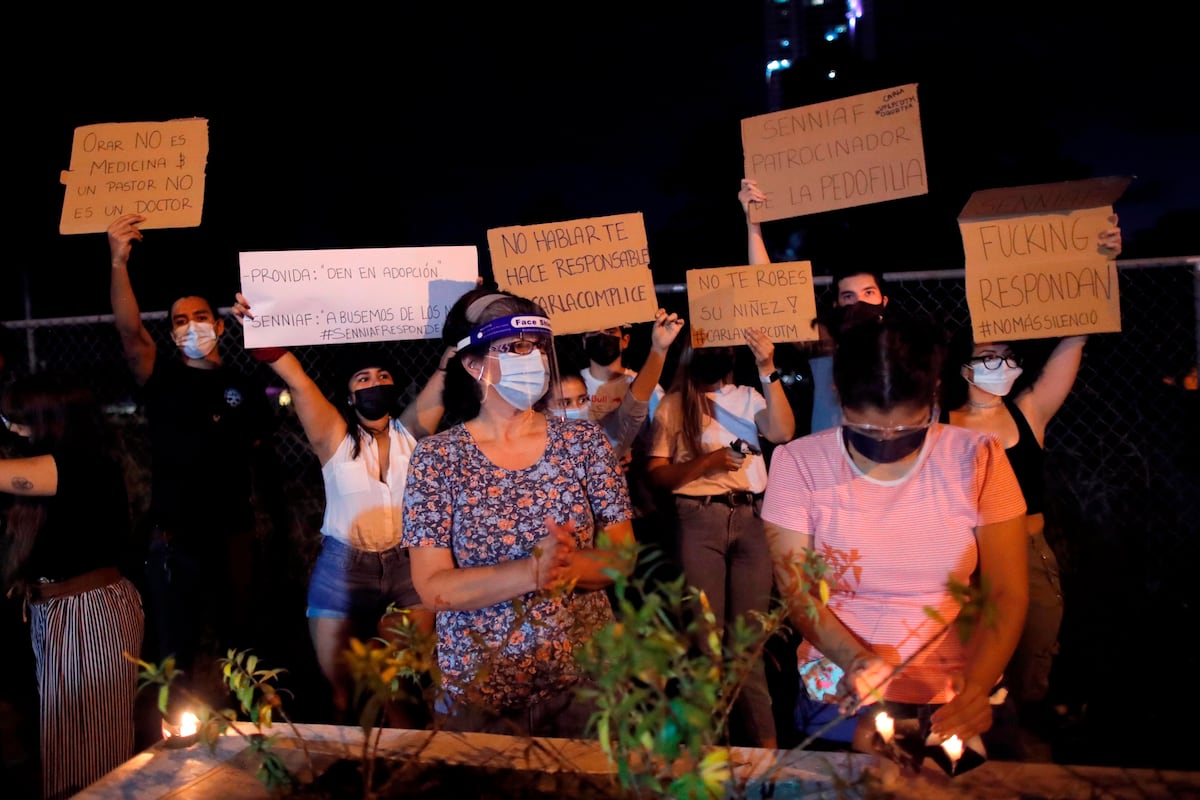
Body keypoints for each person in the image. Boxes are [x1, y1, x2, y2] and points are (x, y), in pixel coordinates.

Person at [762, 315, 1028, 754]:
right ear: (839, 400)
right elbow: (798, 593)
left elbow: (1006, 593)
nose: (886, 442)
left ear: (934, 399)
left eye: (906, 430)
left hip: (956, 688)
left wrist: (977, 688)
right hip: (840, 686)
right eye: (867, 430)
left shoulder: (977, 458)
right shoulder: (799, 465)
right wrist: (855, 659)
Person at [401, 287, 635, 738]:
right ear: (473, 364)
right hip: (479, 689)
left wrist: (568, 563)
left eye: (539, 348)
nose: (533, 360)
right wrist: (535, 571)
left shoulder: (583, 444)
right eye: (515, 349)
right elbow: (433, 588)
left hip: (583, 685)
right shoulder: (437, 458)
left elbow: (622, 557)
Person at [939, 216, 1122, 755]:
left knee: (1033, 657)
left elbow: (1075, 339)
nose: (1000, 363)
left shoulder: (1029, 413)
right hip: (967, 559)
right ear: (966, 368)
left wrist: (1100, 264)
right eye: (986, 356)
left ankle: (1025, 745)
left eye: (1007, 356)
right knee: (970, 663)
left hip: (1028, 550)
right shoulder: (941, 424)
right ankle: (971, 750)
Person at [232, 293, 450, 725]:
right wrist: (258, 325)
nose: (374, 383)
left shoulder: (413, 432)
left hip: (408, 570)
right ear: (349, 395)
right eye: (362, 378)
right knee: (340, 697)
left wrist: (467, 311)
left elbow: (447, 370)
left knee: (401, 691)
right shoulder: (334, 436)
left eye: (382, 375)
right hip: (343, 569)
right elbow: (296, 379)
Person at [107, 214, 280, 701]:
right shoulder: (159, 378)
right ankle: (174, 739)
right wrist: (118, 262)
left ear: (219, 326)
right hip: (174, 539)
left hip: (233, 535)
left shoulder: (245, 388)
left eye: (199, 317)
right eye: (180, 321)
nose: (190, 327)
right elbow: (127, 330)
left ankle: (249, 728)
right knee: (174, 649)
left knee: (241, 641)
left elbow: (259, 454)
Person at [646, 330, 795, 749]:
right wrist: (708, 462)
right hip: (699, 519)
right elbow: (657, 475)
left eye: (724, 346)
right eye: (708, 345)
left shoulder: (749, 396)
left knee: (747, 644)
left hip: (751, 518)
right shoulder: (675, 405)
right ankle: (707, 750)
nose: (718, 353)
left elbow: (782, 432)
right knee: (703, 642)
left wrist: (768, 369)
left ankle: (764, 752)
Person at [1, 372, 144, 800]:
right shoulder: (48, 460)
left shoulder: (82, 464)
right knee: (66, 743)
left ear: (50, 417)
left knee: (95, 747)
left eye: (18, 417)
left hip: (91, 610)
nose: (10, 426)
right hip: (58, 611)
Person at [740, 177, 887, 434]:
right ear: (837, 303)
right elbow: (767, 287)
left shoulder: (903, 342)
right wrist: (753, 222)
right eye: (849, 296)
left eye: (868, 293)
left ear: (884, 301)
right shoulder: (823, 339)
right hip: (829, 452)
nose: (859, 302)